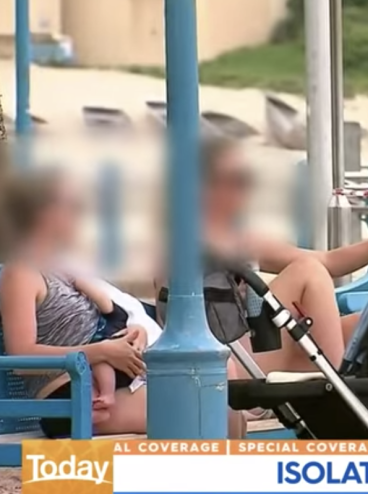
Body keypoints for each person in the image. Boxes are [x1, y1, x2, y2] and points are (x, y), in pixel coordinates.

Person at [155, 137, 368, 380]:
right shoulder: (178, 242)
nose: (243, 190)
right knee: (307, 272)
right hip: (222, 367)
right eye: (235, 181)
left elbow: (331, 261)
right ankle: (341, 391)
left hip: (257, 352)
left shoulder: (238, 239)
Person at [0, 169, 247, 438]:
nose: (79, 217)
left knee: (223, 380)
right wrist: (102, 351)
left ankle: (218, 477)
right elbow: (21, 357)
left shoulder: (66, 268)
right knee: (211, 412)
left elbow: (108, 315)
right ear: (44, 214)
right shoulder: (21, 272)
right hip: (71, 398)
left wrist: (133, 333)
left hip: (108, 382)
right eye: (72, 207)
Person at [70, 274, 134, 423]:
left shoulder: (111, 315)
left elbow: (108, 307)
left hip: (112, 335)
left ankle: (106, 394)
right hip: (100, 345)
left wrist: (80, 282)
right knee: (96, 361)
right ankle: (100, 400)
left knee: (100, 359)